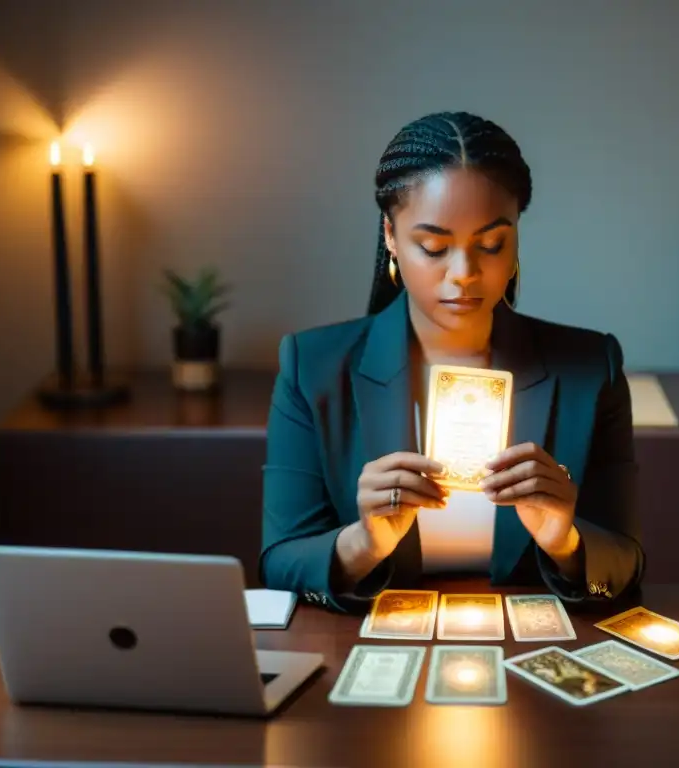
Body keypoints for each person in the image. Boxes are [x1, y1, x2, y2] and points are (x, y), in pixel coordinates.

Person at [259, 111, 643, 613]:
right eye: (434, 247)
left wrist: (566, 542)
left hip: (523, 652)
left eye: (490, 245)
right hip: (370, 643)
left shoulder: (592, 369)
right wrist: (362, 542)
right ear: (391, 236)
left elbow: (625, 573)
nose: (464, 274)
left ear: (517, 238)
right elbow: (279, 566)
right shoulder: (312, 368)